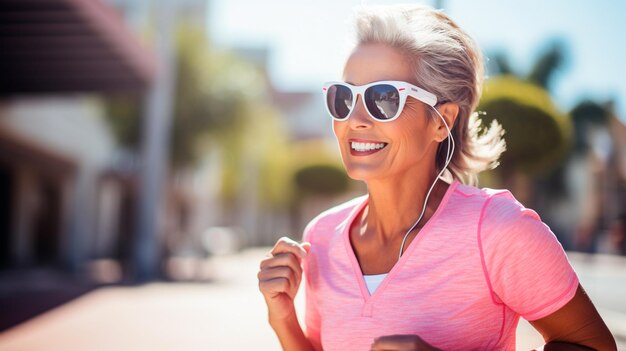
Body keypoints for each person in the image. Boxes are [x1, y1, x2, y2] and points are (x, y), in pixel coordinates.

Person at [257, 4, 616, 351]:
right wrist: (283, 318)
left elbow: (596, 346)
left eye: (383, 98)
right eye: (343, 97)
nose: (356, 119)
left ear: (439, 120)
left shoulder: (498, 229)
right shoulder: (320, 237)